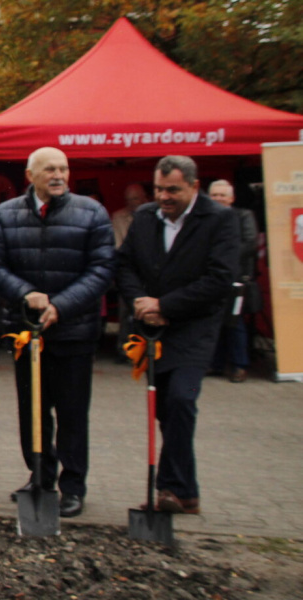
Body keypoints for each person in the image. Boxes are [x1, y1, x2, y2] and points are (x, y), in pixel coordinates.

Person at [0, 146, 114, 519]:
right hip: (26, 332)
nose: (58, 176)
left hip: (74, 331)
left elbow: (103, 269)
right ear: (30, 176)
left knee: (72, 413)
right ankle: (40, 476)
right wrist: (26, 295)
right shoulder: (6, 213)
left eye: (64, 169)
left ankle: (73, 486)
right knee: (32, 411)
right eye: (50, 170)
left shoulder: (92, 212)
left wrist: (61, 306)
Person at [117, 155, 239, 515]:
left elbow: (220, 278)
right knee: (166, 410)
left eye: (172, 190)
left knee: (181, 400)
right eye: (159, 189)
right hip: (153, 329)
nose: (164, 197)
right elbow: (124, 264)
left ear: (194, 186)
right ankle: (187, 493)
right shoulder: (145, 217)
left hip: (195, 327)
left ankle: (169, 487)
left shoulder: (220, 220)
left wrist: (165, 305)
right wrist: (139, 301)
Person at [207, 179, 257, 383]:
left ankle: (239, 365)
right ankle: (216, 364)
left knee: (235, 324)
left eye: (222, 195)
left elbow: (251, 243)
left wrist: (224, 257)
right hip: (211, 279)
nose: (218, 198)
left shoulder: (244, 216)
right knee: (214, 322)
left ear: (232, 198)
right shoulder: (205, 218)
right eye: (214, 195)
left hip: (236, 280)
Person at [112, 183, 149, 358]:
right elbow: (118, 246)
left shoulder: (155, 214)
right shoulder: (118, 217)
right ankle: (124, 349)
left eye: (135, 199)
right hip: (129, 270)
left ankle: (147, 349)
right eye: (128, 200)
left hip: (150, 272)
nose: (132, 203)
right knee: (126, 311)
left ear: (144, 198)